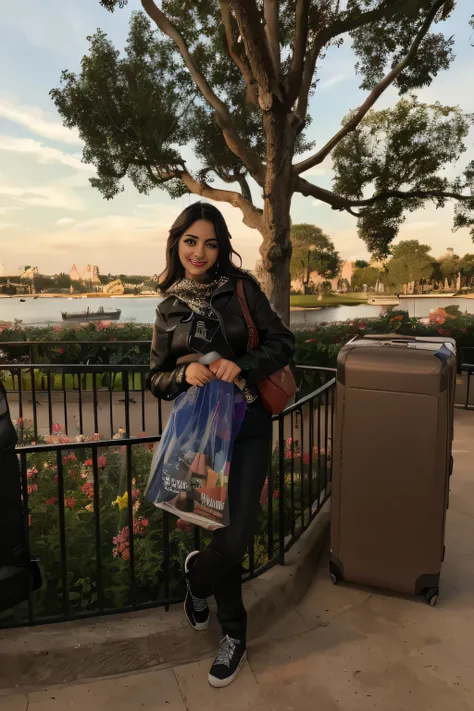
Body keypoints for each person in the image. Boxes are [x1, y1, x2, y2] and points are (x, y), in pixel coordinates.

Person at [147, 201, 295, 688]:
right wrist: (182, 374)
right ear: (177, 243)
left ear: (221, 246)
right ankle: (233, 633)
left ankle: (196, 578)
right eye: (191, 241)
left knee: (235, 537)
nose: (200, 251)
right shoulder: (168, 308)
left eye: (210, 242)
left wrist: (244, 364)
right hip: (201, 433)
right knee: (219, 525)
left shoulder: (243, 289)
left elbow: (283, 342)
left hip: (248, 423)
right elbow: (155, 378)